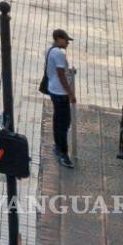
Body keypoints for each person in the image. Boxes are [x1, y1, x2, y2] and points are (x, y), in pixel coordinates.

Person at [45, 29, 76, 168]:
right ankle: (63, 153)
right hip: (60, 92)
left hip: (53, 89)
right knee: (64, 123)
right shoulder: (59, 53)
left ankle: (58, 146)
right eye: (66, 40)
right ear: (58, 39)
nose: (68, 43)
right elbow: (61, 74)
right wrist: (70, 93)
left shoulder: (50, 50)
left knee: (58, 120)